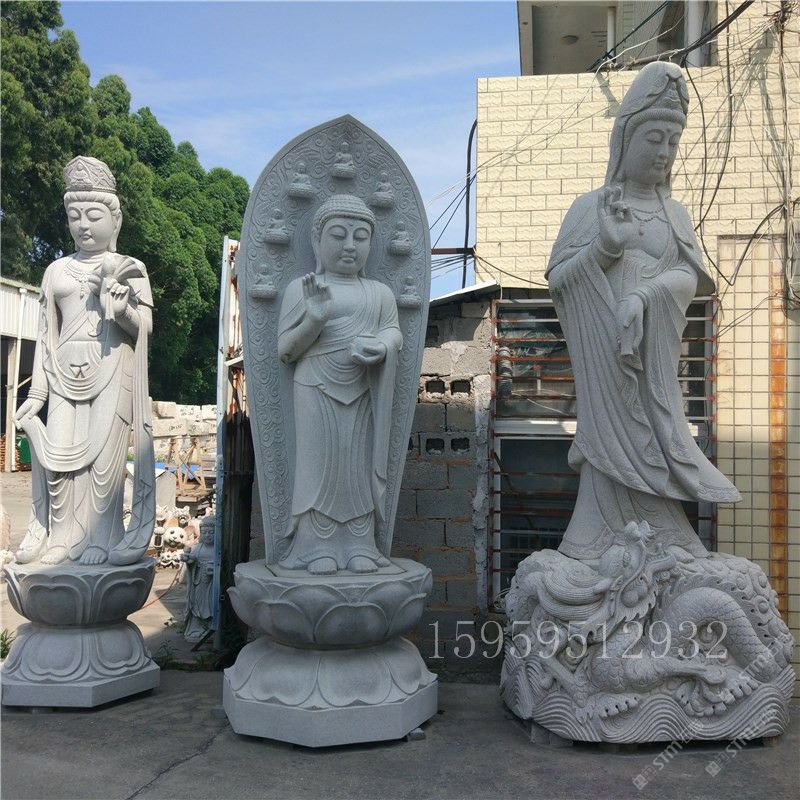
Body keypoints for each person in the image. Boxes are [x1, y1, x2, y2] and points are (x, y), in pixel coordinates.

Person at [545, 62, 739, 561]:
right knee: (609, 445)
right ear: (625, 139)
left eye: (673, 142)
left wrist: (644, 296)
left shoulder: (675, 214)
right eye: (654, 138)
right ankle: (593, 539)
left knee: (657, 435)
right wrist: (605, 249)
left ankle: (664, 531)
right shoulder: (590, 208)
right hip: (608, 363)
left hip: (652, 362)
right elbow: (561, 282)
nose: (664, 152)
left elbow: (690, 277)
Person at [14, 156, 155, 566]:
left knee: (102, 467)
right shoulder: (56, 271)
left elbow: (144, 328)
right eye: (74, 216)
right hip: (61, 373)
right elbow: (45, 335)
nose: (83, 225)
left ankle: (100, 538)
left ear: (115, 221)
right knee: (58, 463)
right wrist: (36, 394)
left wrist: (121, 308)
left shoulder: (131, 269)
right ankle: (60, 539)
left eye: (94, 216)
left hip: (111, 369)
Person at [277, 194, 402, 575]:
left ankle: (360, 543)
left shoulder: (379, 293)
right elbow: (285, 351)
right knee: (317, 469)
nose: (350, 245)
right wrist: (314, 320)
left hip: (363, 388)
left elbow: (393, 332)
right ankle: (315, 546)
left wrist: (382, 345)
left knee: (357, 469)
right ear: (317, 241)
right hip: (314, 386)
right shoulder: (303, 288)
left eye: (360, 237)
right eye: (338, 235)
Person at [180, 516, 215, 641]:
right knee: (196, 605)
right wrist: (189, 561)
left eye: (211, 532)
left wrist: (215, 569)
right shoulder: (197, 548)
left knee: (212, 605)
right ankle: (196, 629)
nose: (207, 535)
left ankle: (210, 629)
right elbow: (192, 560)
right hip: (199, 583)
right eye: (204, 532)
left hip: (212, 584)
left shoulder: (218, 550)